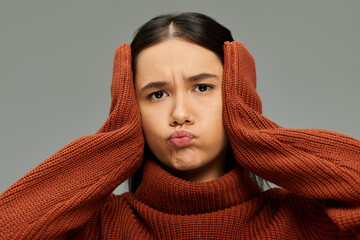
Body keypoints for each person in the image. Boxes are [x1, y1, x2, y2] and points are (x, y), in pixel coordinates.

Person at [0, 12, 359, 239]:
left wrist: (258, 136)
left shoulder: (312, 221)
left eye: (202, 87)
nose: (179, 113)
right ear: (130, 108)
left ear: (237, 95)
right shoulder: (95, 228)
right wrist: (114, 145)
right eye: (156, 94)